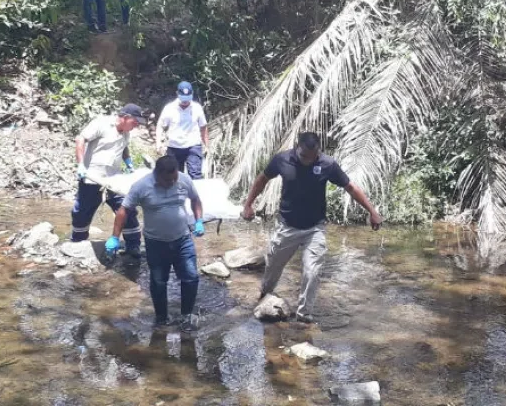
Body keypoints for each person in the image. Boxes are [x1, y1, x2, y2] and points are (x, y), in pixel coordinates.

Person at [241, 132, 383, 324]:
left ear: (318, 151)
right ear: (296, 147)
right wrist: (248, 204)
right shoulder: (282, 160)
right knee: (273, 265)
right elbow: (262, 179)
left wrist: (372, 211)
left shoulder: (327, 164)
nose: (308, 161)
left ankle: (304, 316)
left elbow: (350, 187)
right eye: (304, 156)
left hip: (314, 228)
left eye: (312, 157)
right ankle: (265, 294)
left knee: (312, 271)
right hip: (287, 226)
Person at [111, 155, 205, 330]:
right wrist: (115, 237)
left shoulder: (183, 180)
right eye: (167, 179)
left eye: (174, 178)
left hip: (183, 239)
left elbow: (195, 199)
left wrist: (199, 220)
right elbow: (123, 210)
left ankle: (187, 316)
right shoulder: (142, 186)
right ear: (157, 174)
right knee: (159, 281)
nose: (171, 182)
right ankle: (161, 319)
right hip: (156, 243)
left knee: (191, 277)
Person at [71, 104, 147, 260]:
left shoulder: (126, 132)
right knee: (82, 211)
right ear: (125, 117)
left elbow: (124, 147)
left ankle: (133, 245)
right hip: (92, 177)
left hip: (114, 179)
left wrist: (128, 162)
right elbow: (81, 139)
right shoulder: (102, 123)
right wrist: (80, 165)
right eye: (135, 121)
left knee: (127, 209)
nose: (136, 125)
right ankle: (78, 242)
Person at [155, 81, 208, 180]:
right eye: (183, 99)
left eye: (187, 99)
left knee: (195, 175)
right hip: (174, 146)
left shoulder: (197, 108)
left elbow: (203, 126)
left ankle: (197, 195)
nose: (185, 102)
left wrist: (206, 144)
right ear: (177, 94)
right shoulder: (169, 108)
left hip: (193, 145)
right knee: (174, 177)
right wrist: (158, 143)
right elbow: (160, 126)